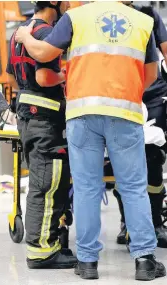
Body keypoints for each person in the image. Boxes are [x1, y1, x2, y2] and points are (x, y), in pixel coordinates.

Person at [15, 1, 165, 280]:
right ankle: (144, 260)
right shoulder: (142, 21)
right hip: (124, 114)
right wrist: (127, 94)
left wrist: (25, 36)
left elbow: (44, 52)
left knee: (86, 188)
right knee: (133, 187)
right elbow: (152, 74)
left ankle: (87, 262)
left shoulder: (75, 17)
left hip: (82, 114)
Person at [4, 1, 77, 269]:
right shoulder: (47, 33)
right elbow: (46, 77)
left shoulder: (18, 33)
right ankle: (42, 251)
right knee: (48, 183)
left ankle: (43, 245)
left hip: (27, 114)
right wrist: (66, 75)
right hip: (45, 117)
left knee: (40, 182)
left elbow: (11, 77)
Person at [112, 1, 167, 249]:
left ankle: (155, 221)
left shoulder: (148, 15)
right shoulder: (103, 16)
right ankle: (128, 223)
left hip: (151, 96)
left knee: (152, 157)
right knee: (122, 161)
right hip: (117, 96)